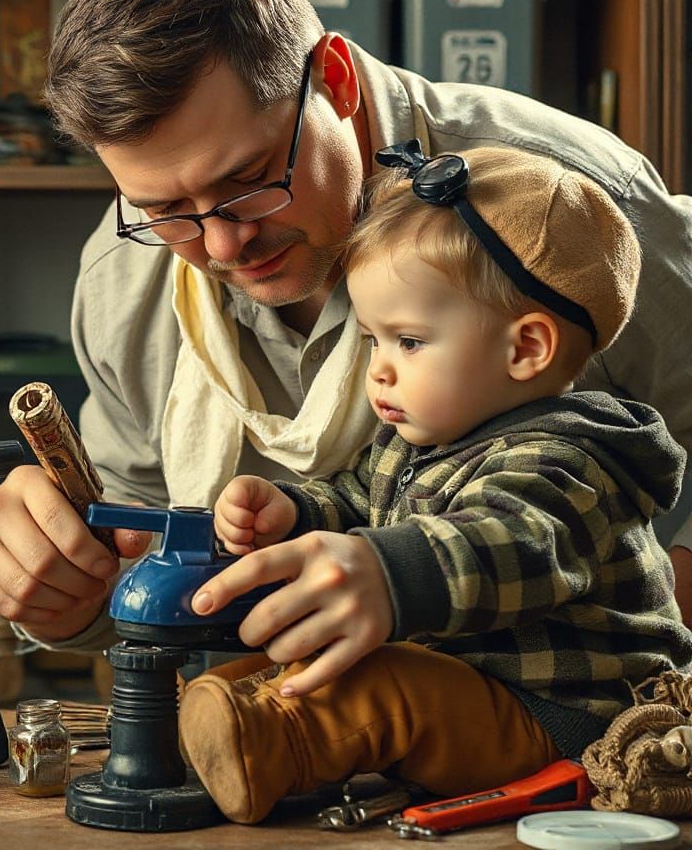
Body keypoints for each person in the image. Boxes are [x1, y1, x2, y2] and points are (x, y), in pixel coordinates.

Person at [0, 0, 692, 654]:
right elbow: (137, 567)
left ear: (334, 79)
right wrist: (60, 592)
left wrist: (632, 649)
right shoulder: (125, 277)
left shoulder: (567, 214)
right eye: (166, 209)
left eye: (249, 180)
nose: (222, 245)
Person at [176, 144, 692, 823]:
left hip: (567, 716)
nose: (380, 369)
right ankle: (218, 724)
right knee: (288, 657)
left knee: (384, 686)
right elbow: (355, 500)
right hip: (469, 684)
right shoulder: (417, 441)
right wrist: (294, 513)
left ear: (526, 348)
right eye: (373, 339)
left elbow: (512, 545)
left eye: (410, 341)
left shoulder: (567, 464)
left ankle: (272, 743)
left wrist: (391, 570)